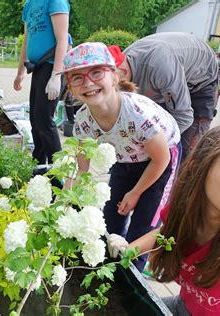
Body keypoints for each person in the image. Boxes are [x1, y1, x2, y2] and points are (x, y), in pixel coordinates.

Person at [107, 125, 220, 315]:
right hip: (185, 307)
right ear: (198, 167)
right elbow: (168, 232)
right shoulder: (189, 210)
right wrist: (128, 250)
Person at [62, 42, 181, 272]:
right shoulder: (83, 120)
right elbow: (81, 169)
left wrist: (135, 193)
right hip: (125, 159)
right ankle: (108, 268)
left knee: (144, 226)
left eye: (96, 73)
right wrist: (66, 202)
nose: (88, 83)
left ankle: (134, 273)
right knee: (111, 217)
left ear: (115, 76)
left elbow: (161, 159)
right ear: (70, 87)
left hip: (160, 161)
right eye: (77, 78)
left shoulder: (137, 114)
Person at [108, 32, 219, 160]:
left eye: (114, 87)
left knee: (186, 151)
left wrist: (153, 148)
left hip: (201, 81)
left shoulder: (160, 67)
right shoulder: (123, 66)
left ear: (122, 72)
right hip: (169, 75)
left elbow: (184, 116)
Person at [13, 0, 70, 164]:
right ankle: (38, 166)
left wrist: (56, 75)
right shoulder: (29, 5)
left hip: (52, 66)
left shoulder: (55, 2)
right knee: (35, 121)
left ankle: (58, 173)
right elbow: (26, 41)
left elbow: (62, 39)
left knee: (44, 121)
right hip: (38, 69)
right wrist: (20, 73)